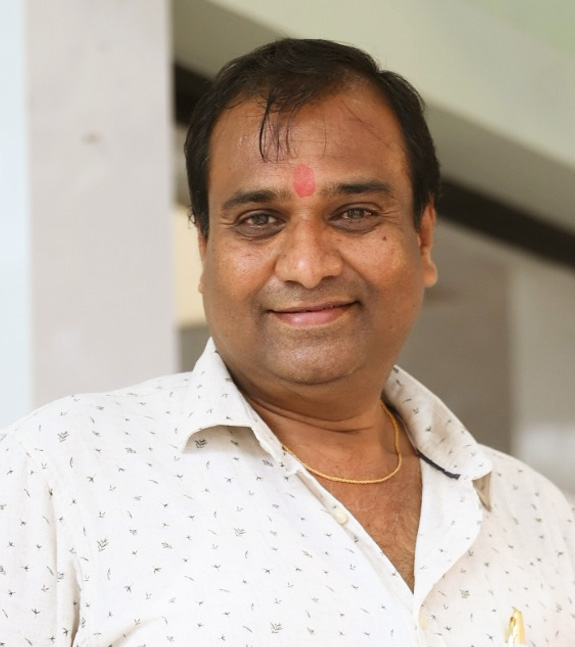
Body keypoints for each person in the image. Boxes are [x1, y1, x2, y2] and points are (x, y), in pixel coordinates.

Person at [1, 38, 573, 646]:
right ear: (206, 251)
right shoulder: (64, 472)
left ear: (423, 238)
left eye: (354, 213)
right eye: (259, 221)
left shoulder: (536, 516)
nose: (307, 266)